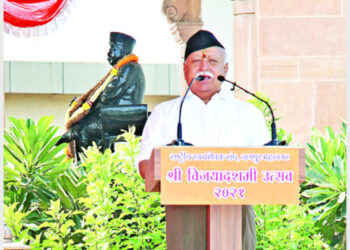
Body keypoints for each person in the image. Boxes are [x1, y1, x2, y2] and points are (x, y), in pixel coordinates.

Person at [136, 30, 270, 249]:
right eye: (196, 61)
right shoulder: (165, 113)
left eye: (213, 62)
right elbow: (144, 166)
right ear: (185, 70)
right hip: (184, 214)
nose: (204, 68)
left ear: (225, 69)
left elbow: (270, 166)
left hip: (236, 212)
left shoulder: (248, 113)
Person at [58, 32, 147, 158]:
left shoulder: (129, 68)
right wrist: (82, 105)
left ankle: (86, 169)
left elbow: (107, 96)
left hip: (122, 117)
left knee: (81, 131)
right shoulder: (124, 67)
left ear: (122, 50)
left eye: (112, 49)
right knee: (81, 127)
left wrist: (85, 109)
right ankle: (100, 163)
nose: (109, 53)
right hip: (112, 115)